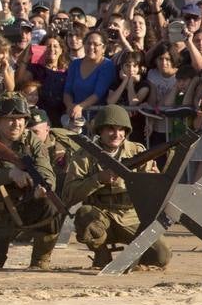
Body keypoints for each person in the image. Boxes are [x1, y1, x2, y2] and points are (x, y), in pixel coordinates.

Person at [64, 104, 171, 269]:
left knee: (161, 256)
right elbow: (70, 194)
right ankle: (102, 256)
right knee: (84, 214)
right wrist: (99, 179)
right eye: (110, 129)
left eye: (121, 129)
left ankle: (130, 262)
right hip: (101, 216)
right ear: (100, 130)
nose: (117, 134)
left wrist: (154, 181)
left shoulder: (137, 151)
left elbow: (152, 195)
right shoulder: (84, 155)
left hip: (131, 217)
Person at [0, 94, 59, 270]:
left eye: (21, 119)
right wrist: (10, 174)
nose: (16, 124)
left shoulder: (32, 140)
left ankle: (40, 260)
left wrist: (44, 185)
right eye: (10, 119)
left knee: (50, 206)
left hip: (24, 207)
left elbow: (46, 169)